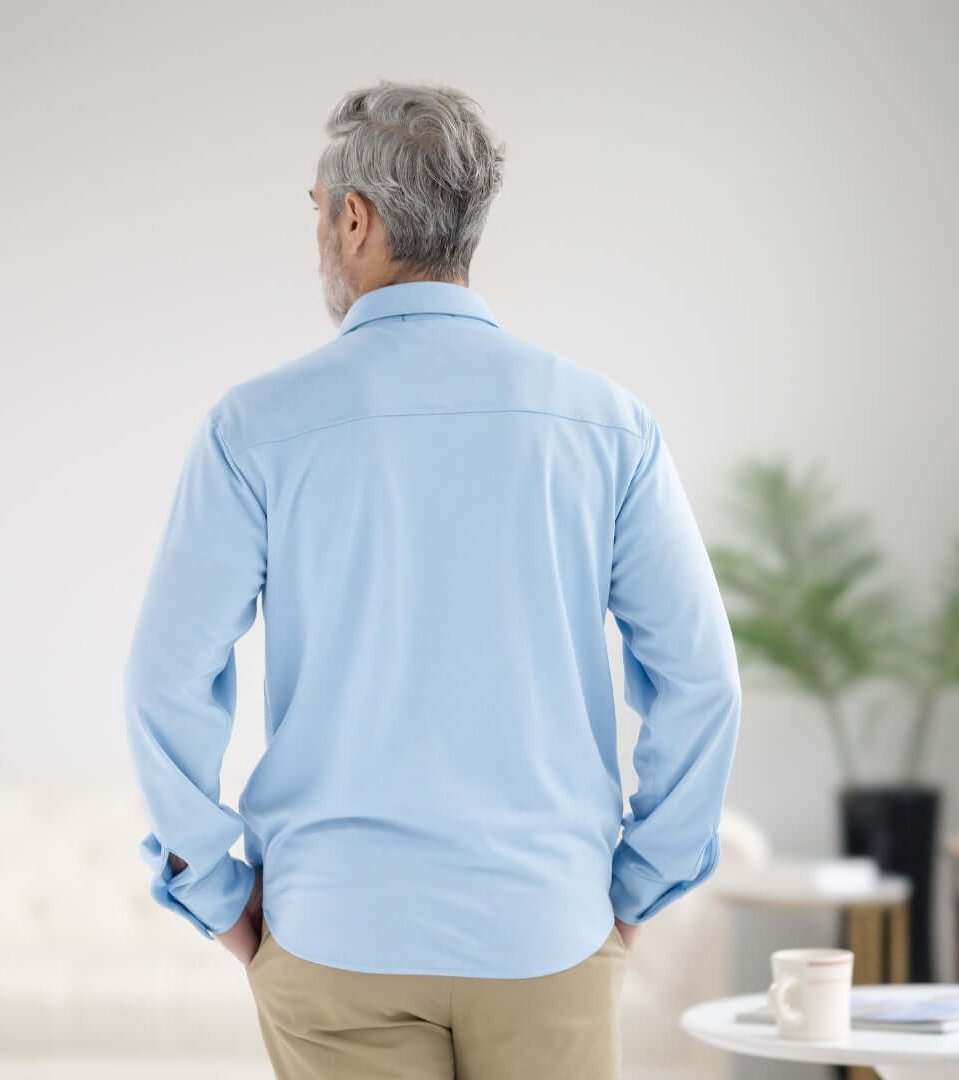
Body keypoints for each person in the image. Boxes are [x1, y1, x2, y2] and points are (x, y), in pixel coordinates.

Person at [123, 78, 741, 1080]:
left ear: (356, 218)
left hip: (334, 934)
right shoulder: (607, 426)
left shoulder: (255, 428)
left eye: (318, 212)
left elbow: (164, 681)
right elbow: (703, 683)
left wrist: (217, 893)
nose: (318, 233)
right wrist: (635, 888)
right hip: (546, 930)